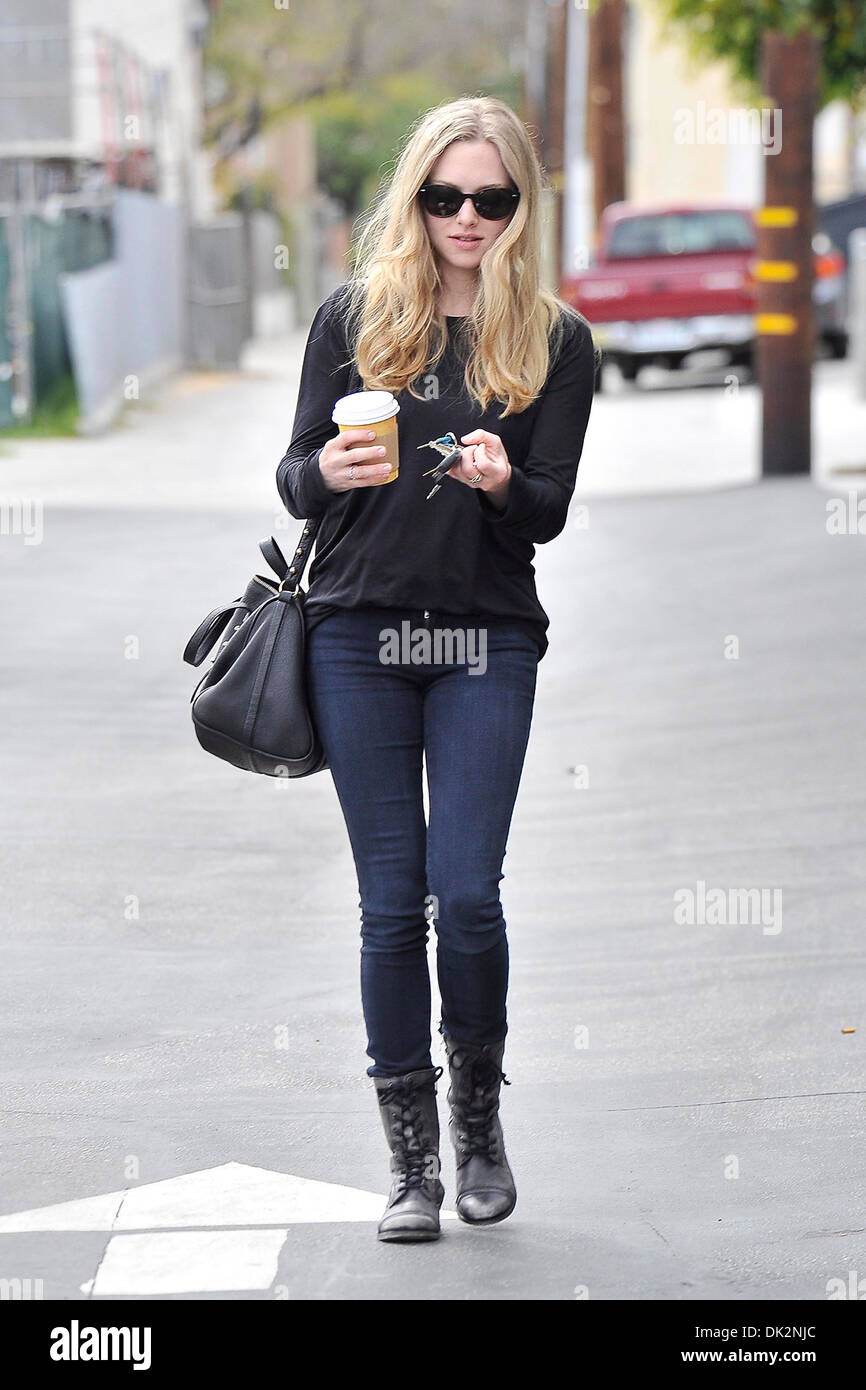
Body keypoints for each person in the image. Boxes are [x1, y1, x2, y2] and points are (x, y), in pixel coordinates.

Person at [277, 96, 596, 1243]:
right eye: (444, 195)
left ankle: (476, 1122)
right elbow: (292, 477)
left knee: (464, 895)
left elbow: (549, 513)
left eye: (491, 198)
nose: (466, 216)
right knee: (384, 906)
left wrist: (504, 485)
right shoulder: (355, 317)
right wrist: (333, 470)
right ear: (414, 196)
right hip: (356, 637)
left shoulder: (553, 340)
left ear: (518, 206)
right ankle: (408, 1164)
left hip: (481, 637)